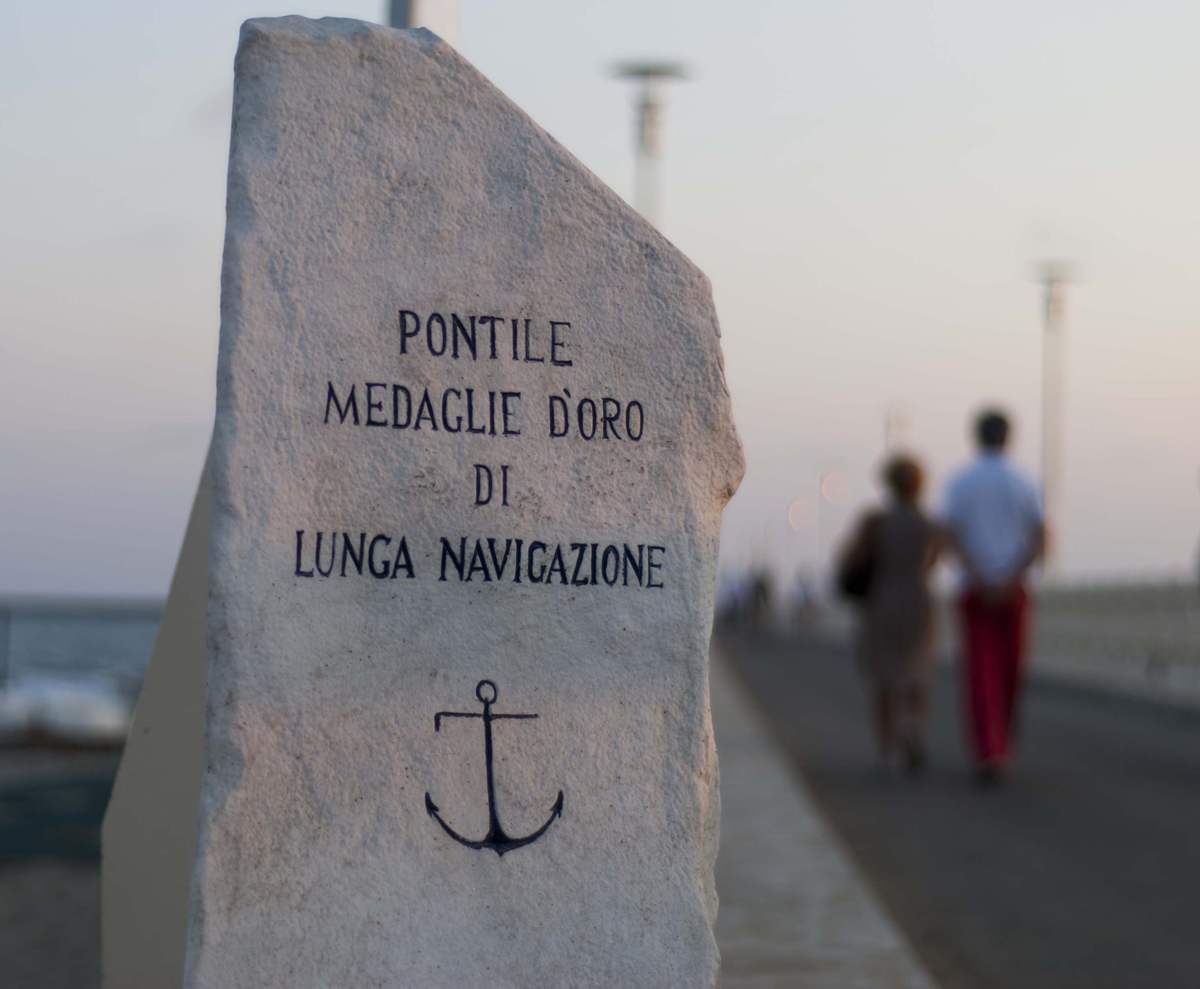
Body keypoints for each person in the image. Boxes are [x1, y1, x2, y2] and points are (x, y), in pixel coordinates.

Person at [943, 409, 1045, 784]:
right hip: (1014, 589)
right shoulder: (1025, 482)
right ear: (1007, 437)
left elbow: (950, 535)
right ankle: (1003, 746)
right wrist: (1010, 576)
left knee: (979, 671)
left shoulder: (960, 481)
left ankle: (989, 750)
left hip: (974, 589)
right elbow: (1040, 537)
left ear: (977, 436)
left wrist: (980, 577)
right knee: (1011, 671)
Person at [841, 455, 941, 775]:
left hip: (882, 600)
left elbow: (852, 557)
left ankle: (887, 749)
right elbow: (931, 564)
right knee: (916, 668)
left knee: (882, 675)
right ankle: (913, 724)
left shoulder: (875, 522)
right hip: (918, 600)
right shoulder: (930, 524)